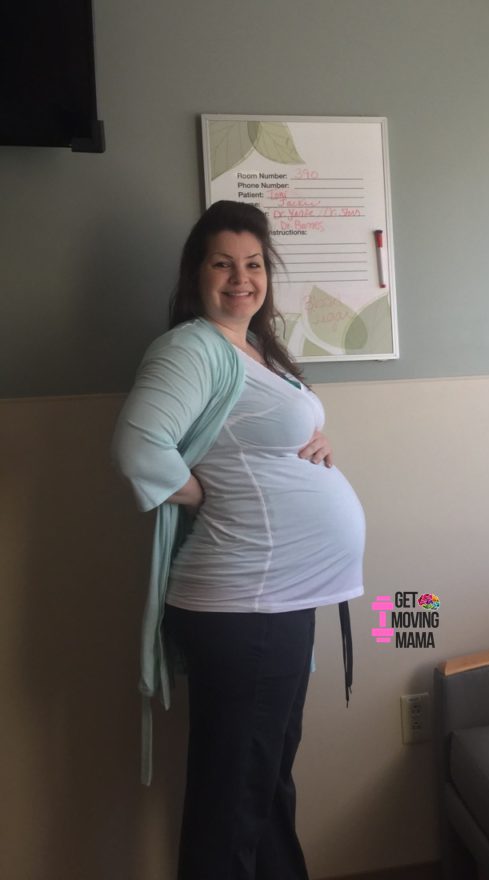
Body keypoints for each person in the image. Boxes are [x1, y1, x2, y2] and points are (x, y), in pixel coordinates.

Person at [112, 200, 365, 880]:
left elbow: (257, 435)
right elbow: (139, 446)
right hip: (245, 600)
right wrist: (203, 492)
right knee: (235, 796)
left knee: (265, 781)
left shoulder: (257, 350)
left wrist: (312, 442)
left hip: (277, 599)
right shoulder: (191, 346)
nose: (240, 278)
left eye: (253, 263)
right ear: (196, 272)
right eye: (222, 263)